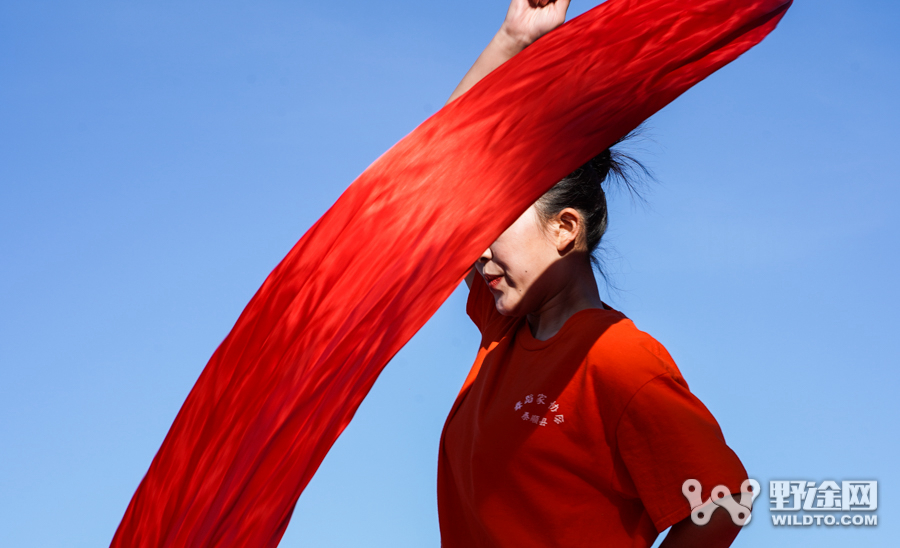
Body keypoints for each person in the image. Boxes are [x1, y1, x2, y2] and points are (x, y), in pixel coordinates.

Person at [437, 1, 750, 546]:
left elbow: (724, 504)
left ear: (563, 229)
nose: (478, 249)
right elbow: (444, 170)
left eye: (495, 227)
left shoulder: (616, 359)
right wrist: (513, 39)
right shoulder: (507, 332)